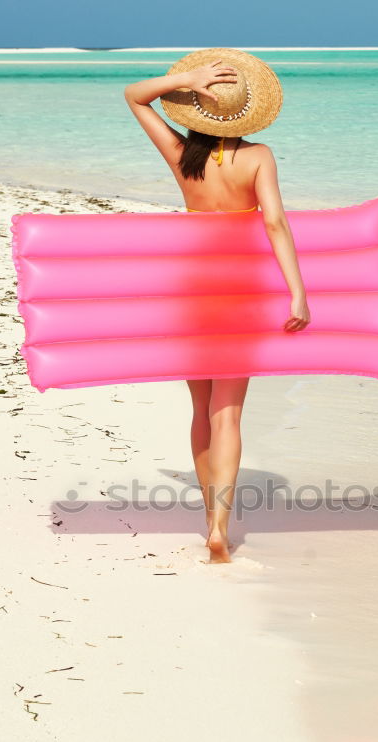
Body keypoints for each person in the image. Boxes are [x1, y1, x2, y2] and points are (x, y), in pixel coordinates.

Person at [124, 48, 310, 564]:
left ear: (196, 109)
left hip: (189, 293)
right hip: (239, 295)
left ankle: (207, 513)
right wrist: (297, 290)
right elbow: (275, 223)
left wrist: (188, 78)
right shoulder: (259, 157)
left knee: (199, 410)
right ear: (248, 111)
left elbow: (134, 97)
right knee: (228, 414)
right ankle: (218, 527)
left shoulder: (183, 156)